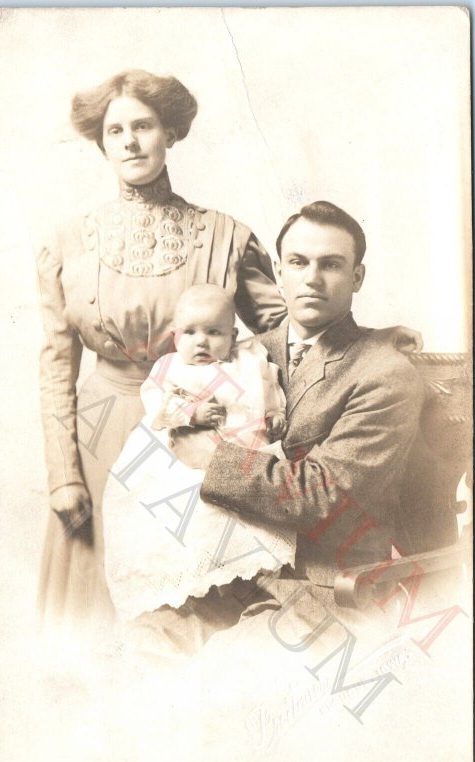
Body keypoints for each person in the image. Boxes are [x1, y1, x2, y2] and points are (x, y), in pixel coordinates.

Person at [37, 68, 421, 626]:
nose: (131, 142)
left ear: (170, 133)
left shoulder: (225, 235)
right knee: (98, 616)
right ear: (101, 142)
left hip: (211, 435)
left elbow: (294, 324)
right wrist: (62, 474)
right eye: (116, 130)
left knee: (193, 597)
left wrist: (379, 340)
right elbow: (53, 367)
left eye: (143, 126)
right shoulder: (64, 242)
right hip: (102, 431)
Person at [171, 200, 425, 635]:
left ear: (357, 277)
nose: (312, 278)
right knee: (136, 653)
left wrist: (213, 460)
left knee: (222, 680)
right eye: (298, 262)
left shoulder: (388, 374)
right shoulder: (240, 352)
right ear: (278, 271)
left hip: (326, 587)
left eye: (331, 264)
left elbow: (323, 496)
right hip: (223, 575)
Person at [102, 284, 295, 622]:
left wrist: (276, 412)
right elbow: (157, 405)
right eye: (190, 332)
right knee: (189, 521)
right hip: (182, 461)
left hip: (245, 454)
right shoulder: (171, 367)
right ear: (175, 337)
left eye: (214, 332)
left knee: (245, 523)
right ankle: (195, 589)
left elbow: (270, 386)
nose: (201, 341)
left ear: (233, 335)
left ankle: (242, 586)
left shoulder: (250, 360)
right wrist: (191, 412)